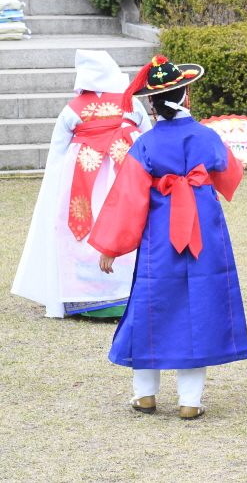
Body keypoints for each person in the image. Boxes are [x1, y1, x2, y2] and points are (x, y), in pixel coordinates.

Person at [88, 55, 247, 420]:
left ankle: (145, 395)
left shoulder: (144, 145)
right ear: (186, 96)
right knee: (202, 307)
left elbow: (127, 199)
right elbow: (230, 178)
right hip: (205, 237)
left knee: (153, 306)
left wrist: (112, 247)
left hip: (159, 241)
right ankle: (190, 401)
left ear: (152, 104)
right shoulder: (208, 137)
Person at [12, 50, 151, 318]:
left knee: (82, 232)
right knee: (128, 223)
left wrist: (54, 187)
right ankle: (130, 296)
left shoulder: (72, 109)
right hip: (127, 173)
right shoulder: (132, 104)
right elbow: (148, 137)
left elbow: (57, 152)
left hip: (81, 177)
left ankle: (85, 299)